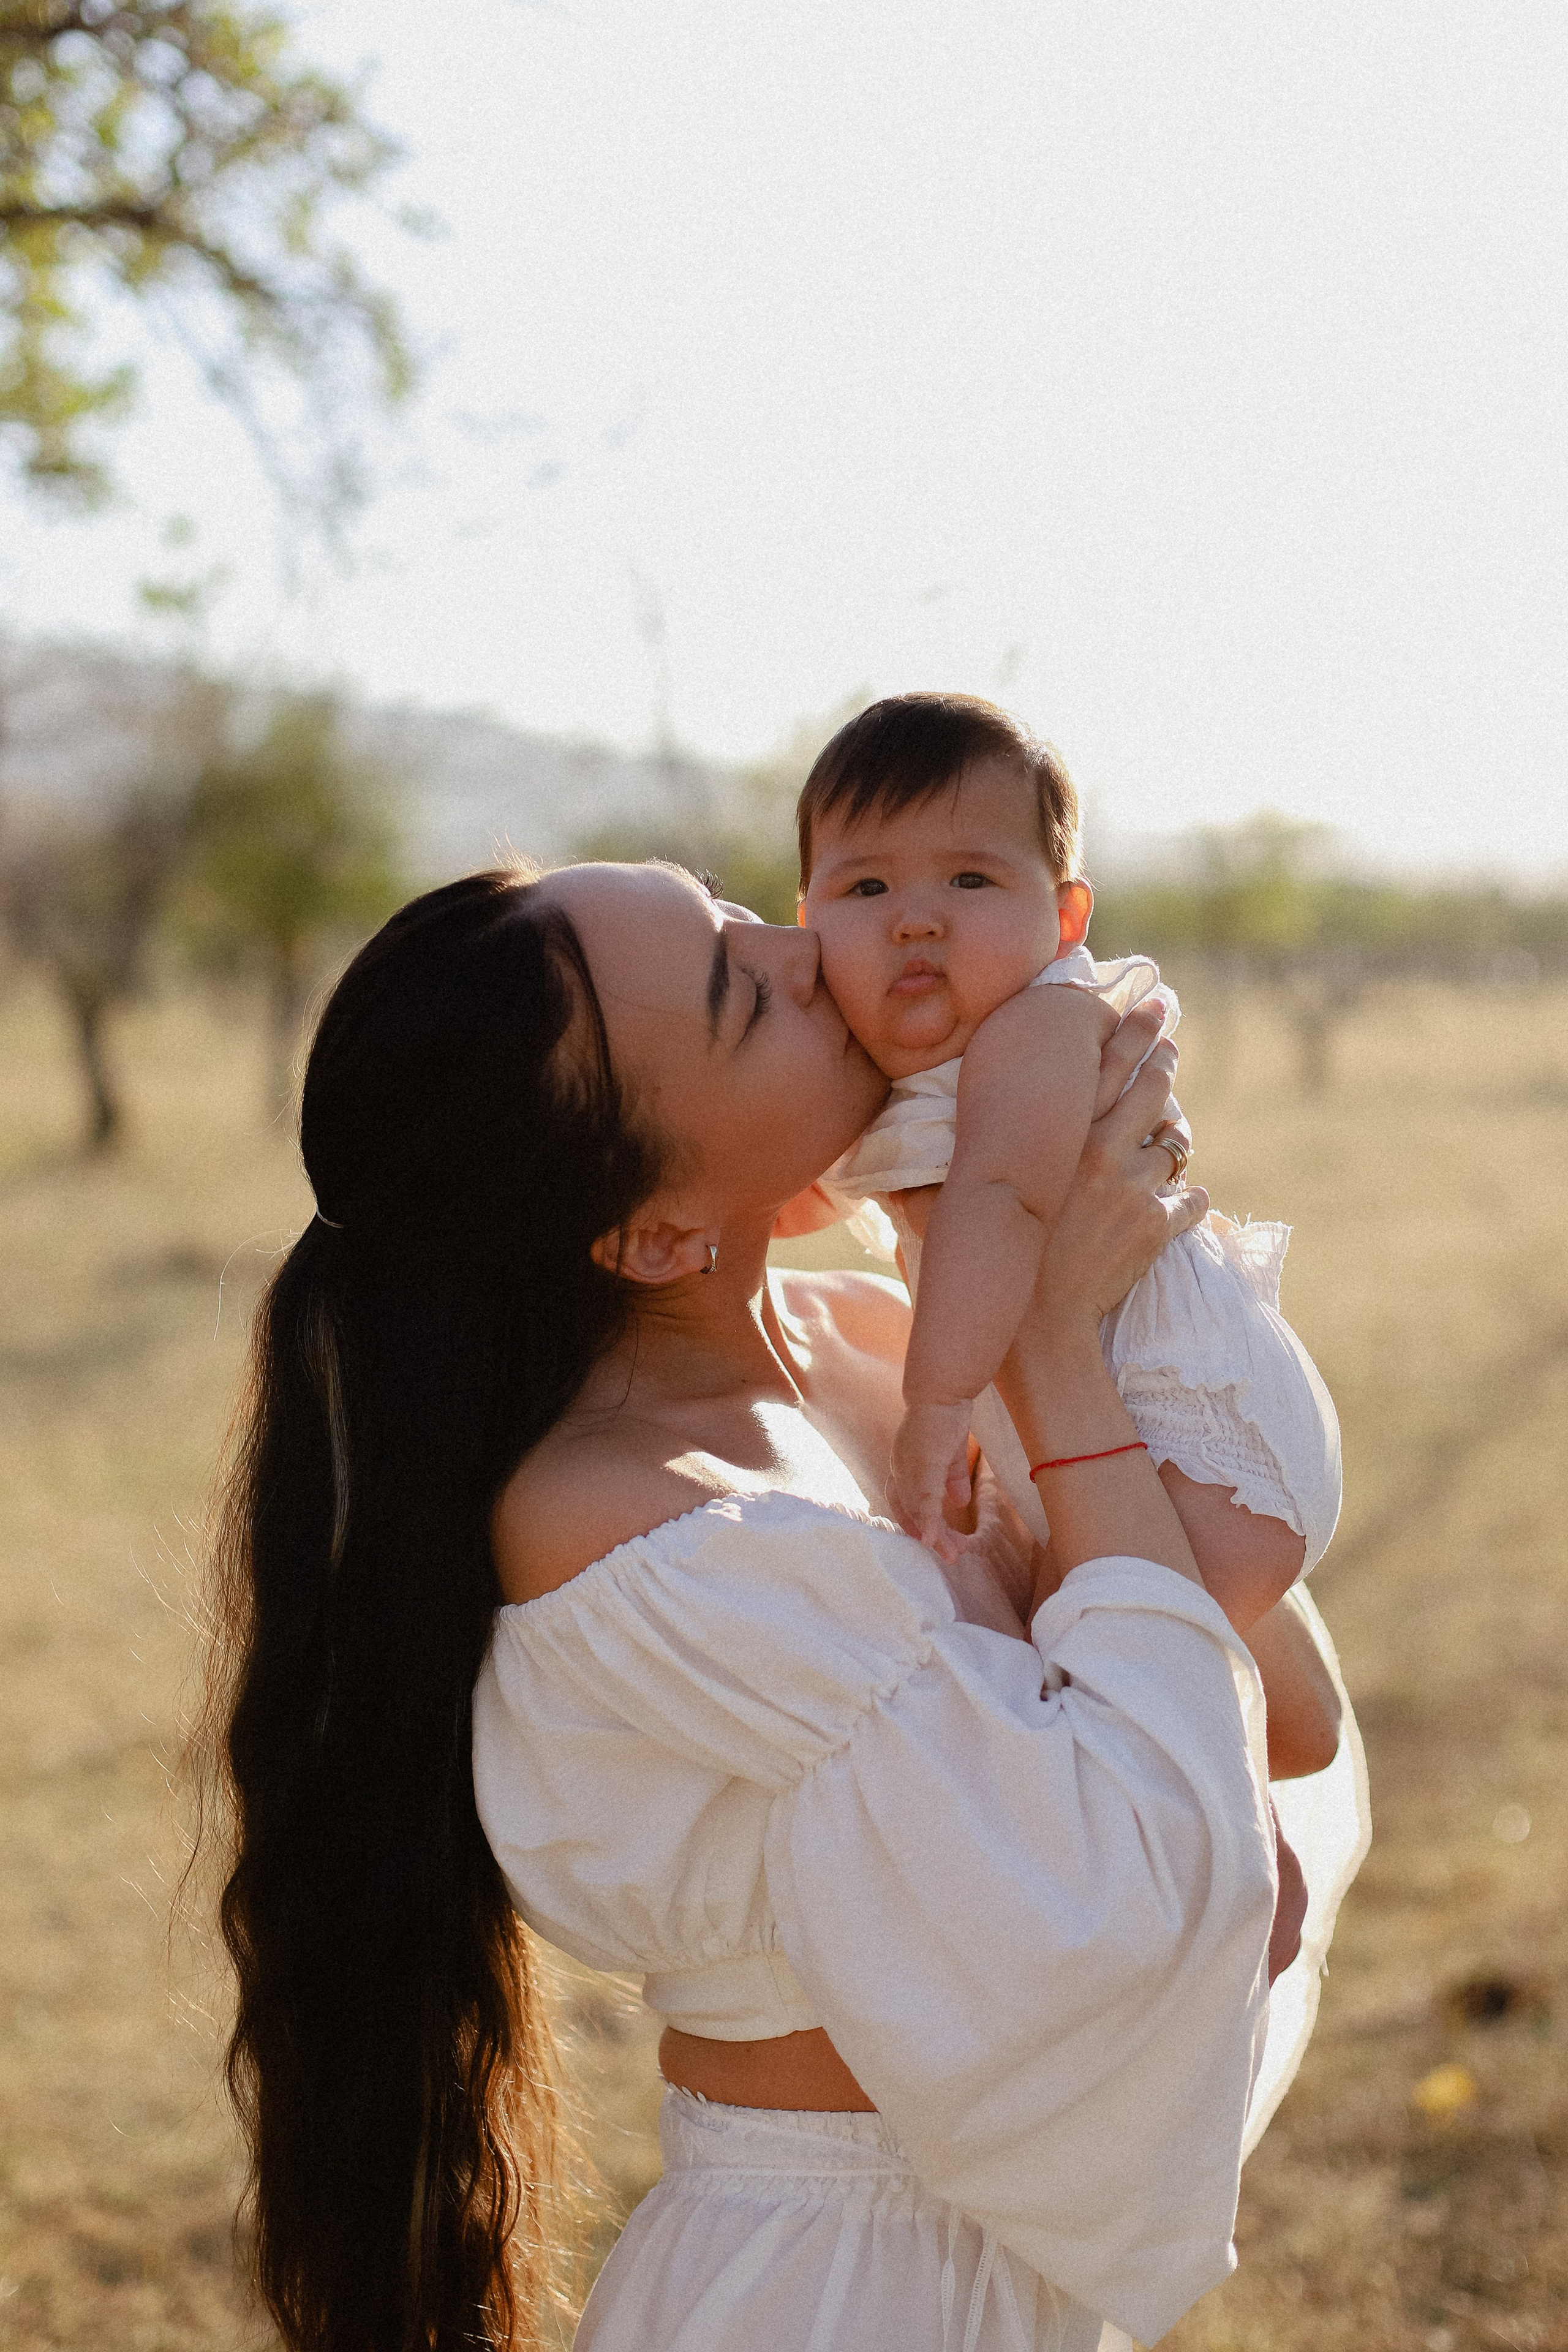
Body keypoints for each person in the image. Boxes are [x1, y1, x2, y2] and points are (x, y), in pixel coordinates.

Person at [200, 858, 1355, 2352]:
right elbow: (1163, 1895)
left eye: (744, 913)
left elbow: (1286, 1722)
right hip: (832, 2287)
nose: (817, 951)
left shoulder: (871, 1341)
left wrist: (1009, 1233)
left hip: (1009, 2286)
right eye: (742, 994)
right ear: (655, 1231)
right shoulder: (632, 1526)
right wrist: (1055, 1348)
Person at [799, 694, 1341, 1639]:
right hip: (1091, 1442)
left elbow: (1002, 1197)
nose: (916, 920)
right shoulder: (893, 1068)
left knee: (1096, 1672)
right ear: (807, 917)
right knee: (1080, 1673)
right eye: (868, 890)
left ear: (1064, 914)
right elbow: (802, 1189)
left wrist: (936, 1403)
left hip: (1195, 1455)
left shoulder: (1040, 1025)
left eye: (969, 880)